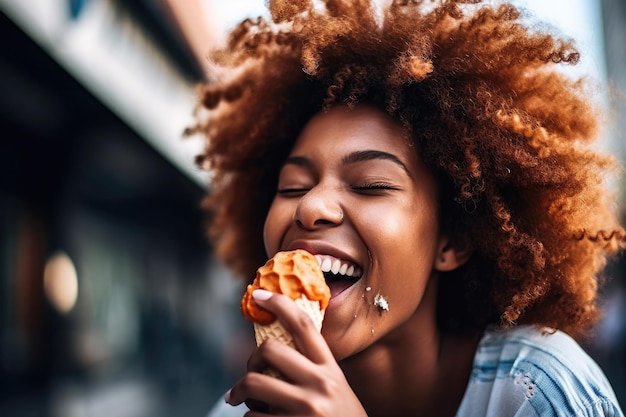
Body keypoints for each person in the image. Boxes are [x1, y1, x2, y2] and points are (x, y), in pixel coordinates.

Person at [187, 0, 626, 415]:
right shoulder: (250, 405)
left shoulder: (538, 393)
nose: (312, 205)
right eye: (292, 186)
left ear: (453, 240)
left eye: (371, 185)